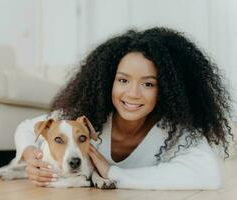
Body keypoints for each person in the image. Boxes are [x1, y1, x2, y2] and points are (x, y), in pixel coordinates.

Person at [14, 27, 234, 190]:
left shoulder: (174, 132)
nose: (133, 94)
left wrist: (113, 173)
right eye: (123, 80)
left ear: (167, 89)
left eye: (148, 84)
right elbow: (26, 128)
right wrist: (33, 156)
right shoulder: (86, 119)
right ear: (108, 81)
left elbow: (207, 175)